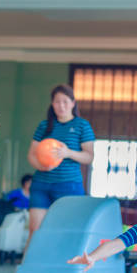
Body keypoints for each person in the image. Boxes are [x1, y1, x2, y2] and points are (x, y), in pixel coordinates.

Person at [25, 84, 94, 250]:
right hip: (41, 184)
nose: (61, 105)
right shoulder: (44, 126)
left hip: (69, 185)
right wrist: (41, 166)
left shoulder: (82, 125)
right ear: (52, 104)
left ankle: (65, 270)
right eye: (57, 102)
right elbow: (31, 155)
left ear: (72, 103)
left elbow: (89, 156)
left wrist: (68, 153)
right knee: (35, 230)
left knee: (67, 231)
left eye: (65, 101)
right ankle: (29, 270)